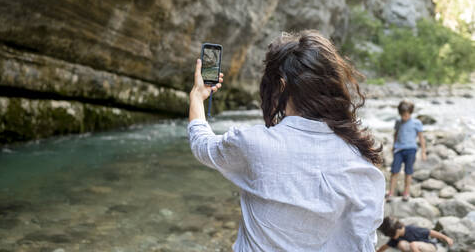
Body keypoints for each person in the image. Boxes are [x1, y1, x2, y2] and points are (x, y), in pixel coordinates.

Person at [187, 30, 385, 251]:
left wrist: (197, 96)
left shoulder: (254, 144)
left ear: (281, 86)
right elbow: (363, 242)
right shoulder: (360, 159)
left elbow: (201, 144)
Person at [385, 101, 426, 202]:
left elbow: (421, 138)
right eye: (402, 115)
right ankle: (391, 193)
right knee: (394, 171)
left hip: (411, 150)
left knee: (408, 172)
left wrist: (423, 151)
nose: (404, 117)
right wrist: (393, 146)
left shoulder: (416, 123)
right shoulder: (398, 122)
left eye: (406, 115)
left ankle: (406, 193)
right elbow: (396, 134)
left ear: (410, 113)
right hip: (398, 149)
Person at [376, 217, 454, 252]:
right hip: (416, 249)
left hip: (429, 247)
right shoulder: (396, 237)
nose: (390, 236)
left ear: (397, 229)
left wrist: (446, 238)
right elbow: (386, 246)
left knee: (413, 244)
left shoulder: (412, 229)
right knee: (401, 244)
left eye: (391, 234)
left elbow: (430, 232)